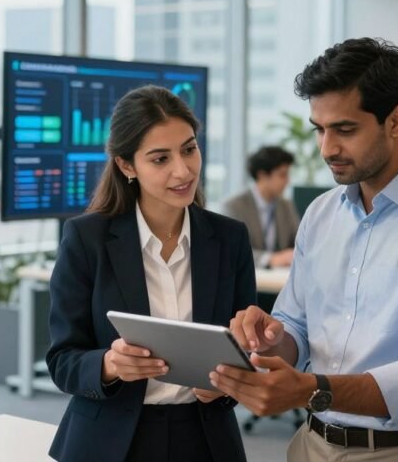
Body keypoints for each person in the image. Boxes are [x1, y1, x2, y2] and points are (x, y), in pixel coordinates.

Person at [210, 37, 398, 462]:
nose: (328, 148)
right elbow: (296, 325)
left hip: (397, 450)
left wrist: (313, 389)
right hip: (310, 444)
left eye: (345, 129)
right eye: (320, 129)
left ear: (396, 121)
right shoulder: (321, 213)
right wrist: (269, 339)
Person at [45, 85, 256, 462]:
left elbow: (243, 350)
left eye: (189, 149)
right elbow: (62, 360)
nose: (183, 170)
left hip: (205, 438)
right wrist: (109, 365)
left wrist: (226, 388)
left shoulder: (229, 238)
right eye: (160, 159)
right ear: (128, 166)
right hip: (110, 440)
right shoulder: (87, 239)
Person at [223, 146, 300, 269]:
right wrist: (270, 259)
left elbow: (299, 243)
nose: (287, 181)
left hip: (280, 281)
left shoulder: (286, 206)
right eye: (282, 175)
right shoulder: (234, 206)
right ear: (262, 176)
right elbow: (230, 251)